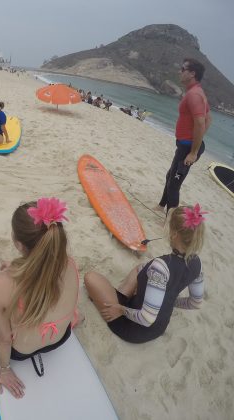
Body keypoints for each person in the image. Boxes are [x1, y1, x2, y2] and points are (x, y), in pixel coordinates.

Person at [0, 198, 79, 398]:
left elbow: (4, 338)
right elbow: (42, 275)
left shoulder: (0, 283)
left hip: (22, 351)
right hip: (61, 337)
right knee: (0, 295)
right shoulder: (69, 264)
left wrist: (4, 369)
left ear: (18, 244)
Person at [84, 204, 206, 343]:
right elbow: (195, 303)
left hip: (135, 326)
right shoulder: (198, 263)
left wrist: (121, 310)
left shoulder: (161, 267)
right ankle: (122, 297)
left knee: (90, 277)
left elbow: (147, 319)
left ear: (174, 234)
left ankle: (119, 301)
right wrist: (170, 301)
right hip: (159, 326)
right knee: (141, 268)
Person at [156, 58, 211, 214]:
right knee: (170, 177)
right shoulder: (196, 92)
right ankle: (161, 206)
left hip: (188, 148)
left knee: (174, 184)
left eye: (182, 69)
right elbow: (209, 119)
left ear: (192, 73)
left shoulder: (194, 94)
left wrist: (194, 151)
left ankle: (171, 222)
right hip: (185, 145)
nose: (179, 72)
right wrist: (196, 142)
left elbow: (201, 123)